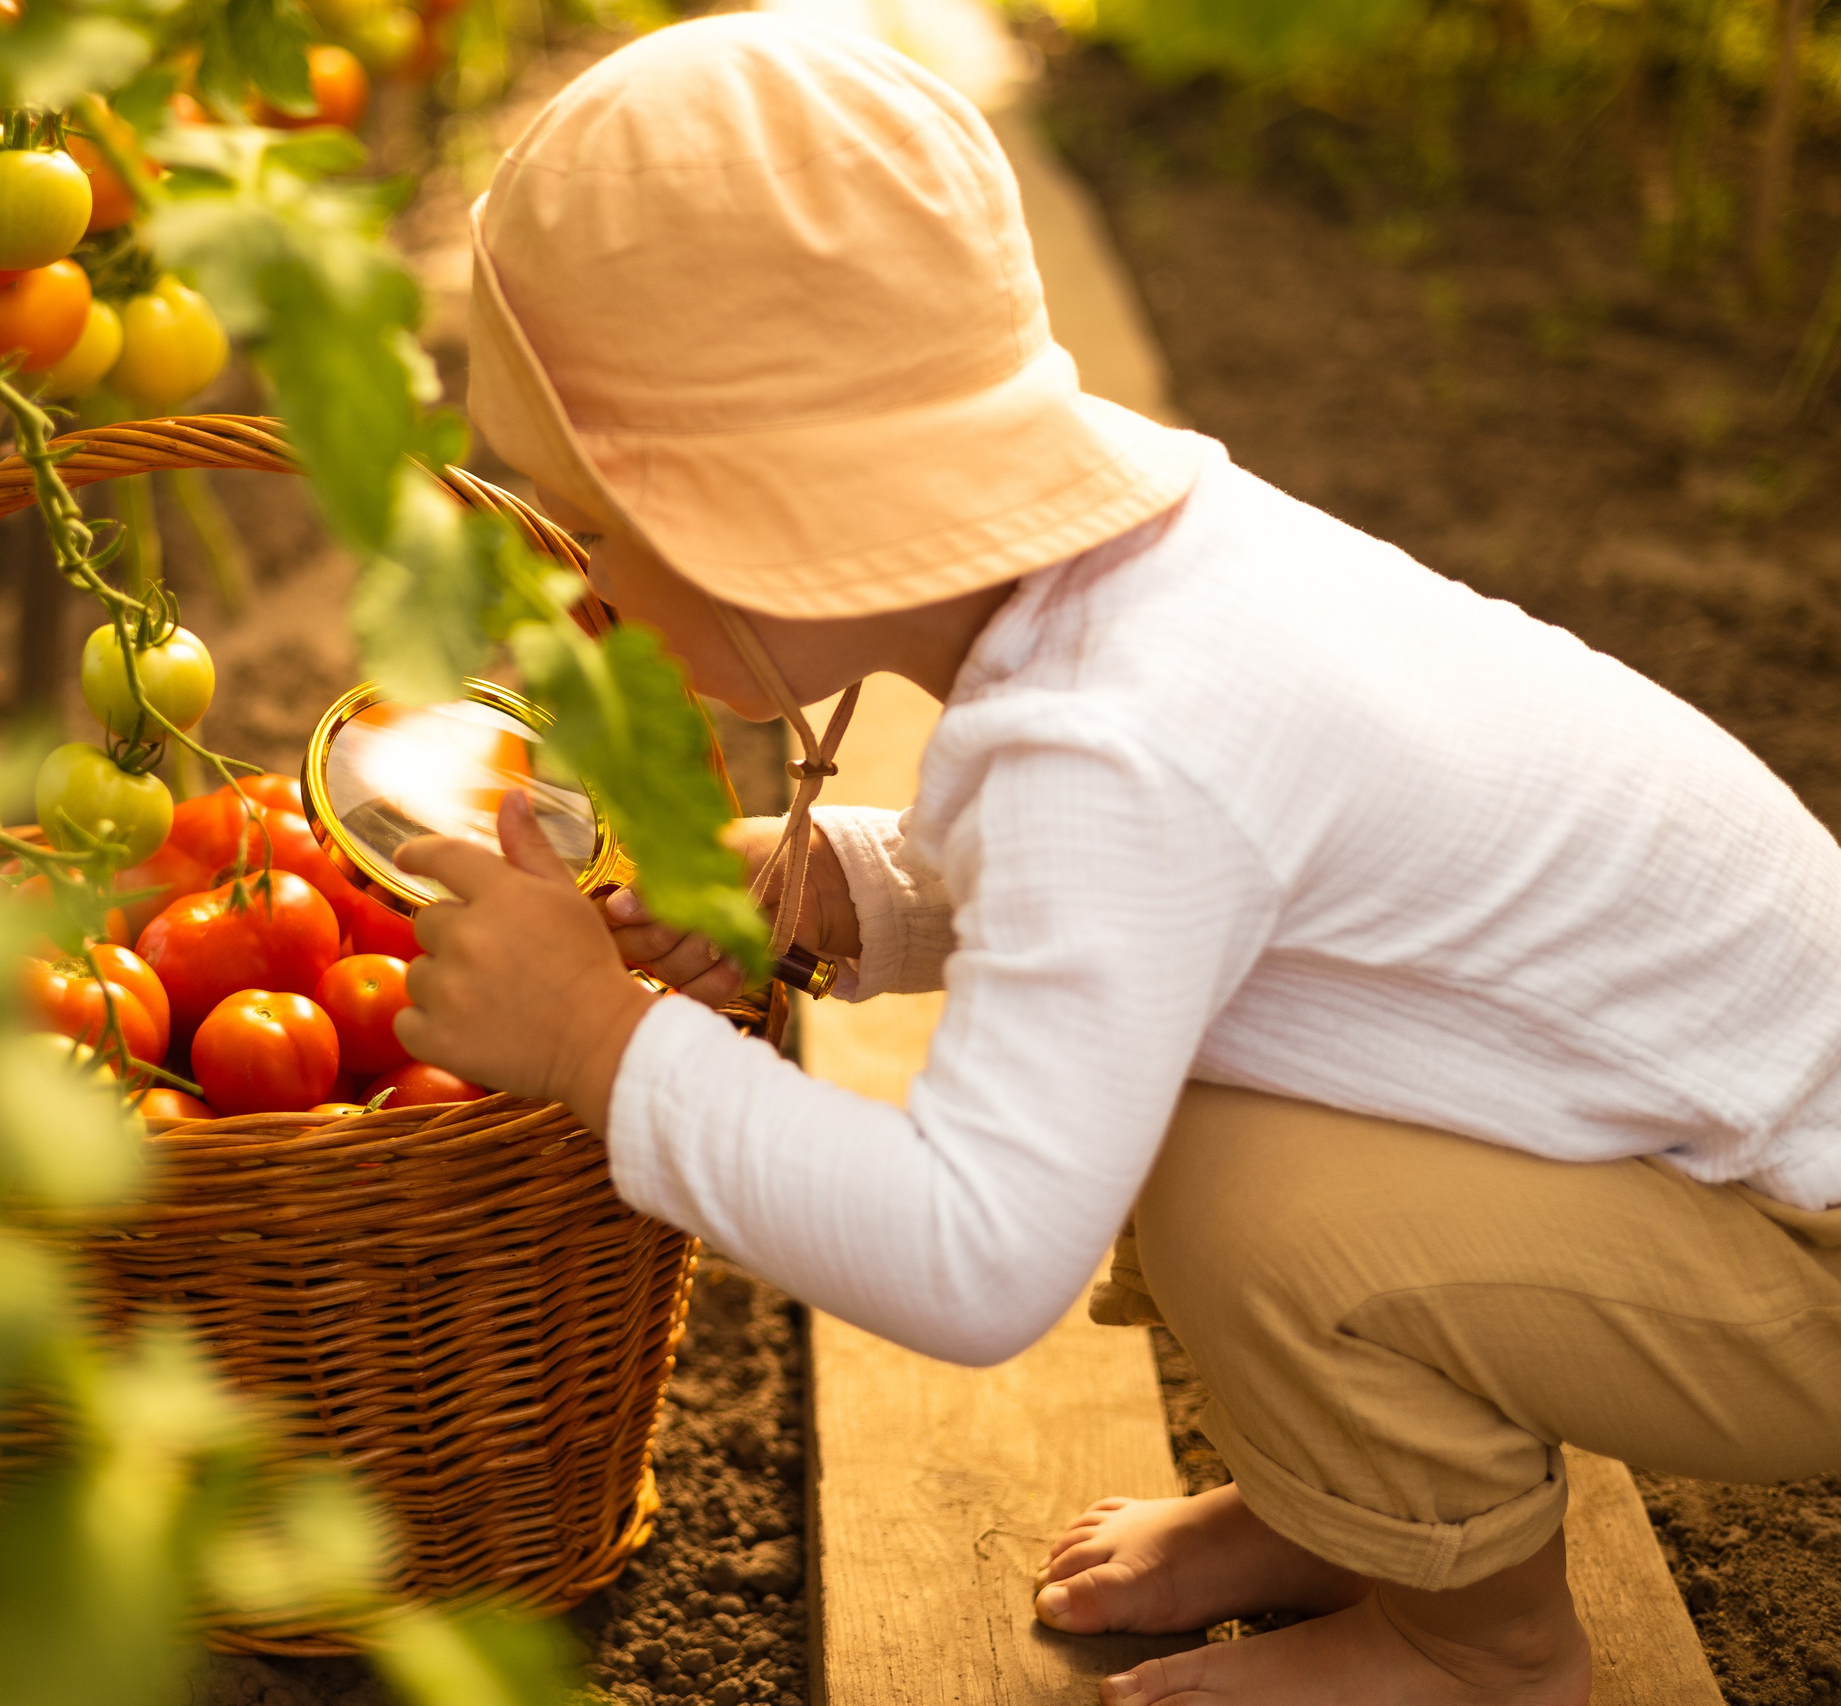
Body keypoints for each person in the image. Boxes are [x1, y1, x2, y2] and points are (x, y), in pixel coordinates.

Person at [387, 14, 1841, 1705]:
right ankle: (1351, 1500)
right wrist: (834, 884)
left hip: (1794, 1262)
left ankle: (1487, 1653)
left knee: (1257, 1205)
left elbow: (974, 1247)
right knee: (1178, 1100)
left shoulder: (1117, 743)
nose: (581, 593)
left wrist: (593, 1043)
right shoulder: (1150, 584)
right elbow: (1169, 896)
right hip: (1706, 1156)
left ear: (755, 515)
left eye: (603, 528)